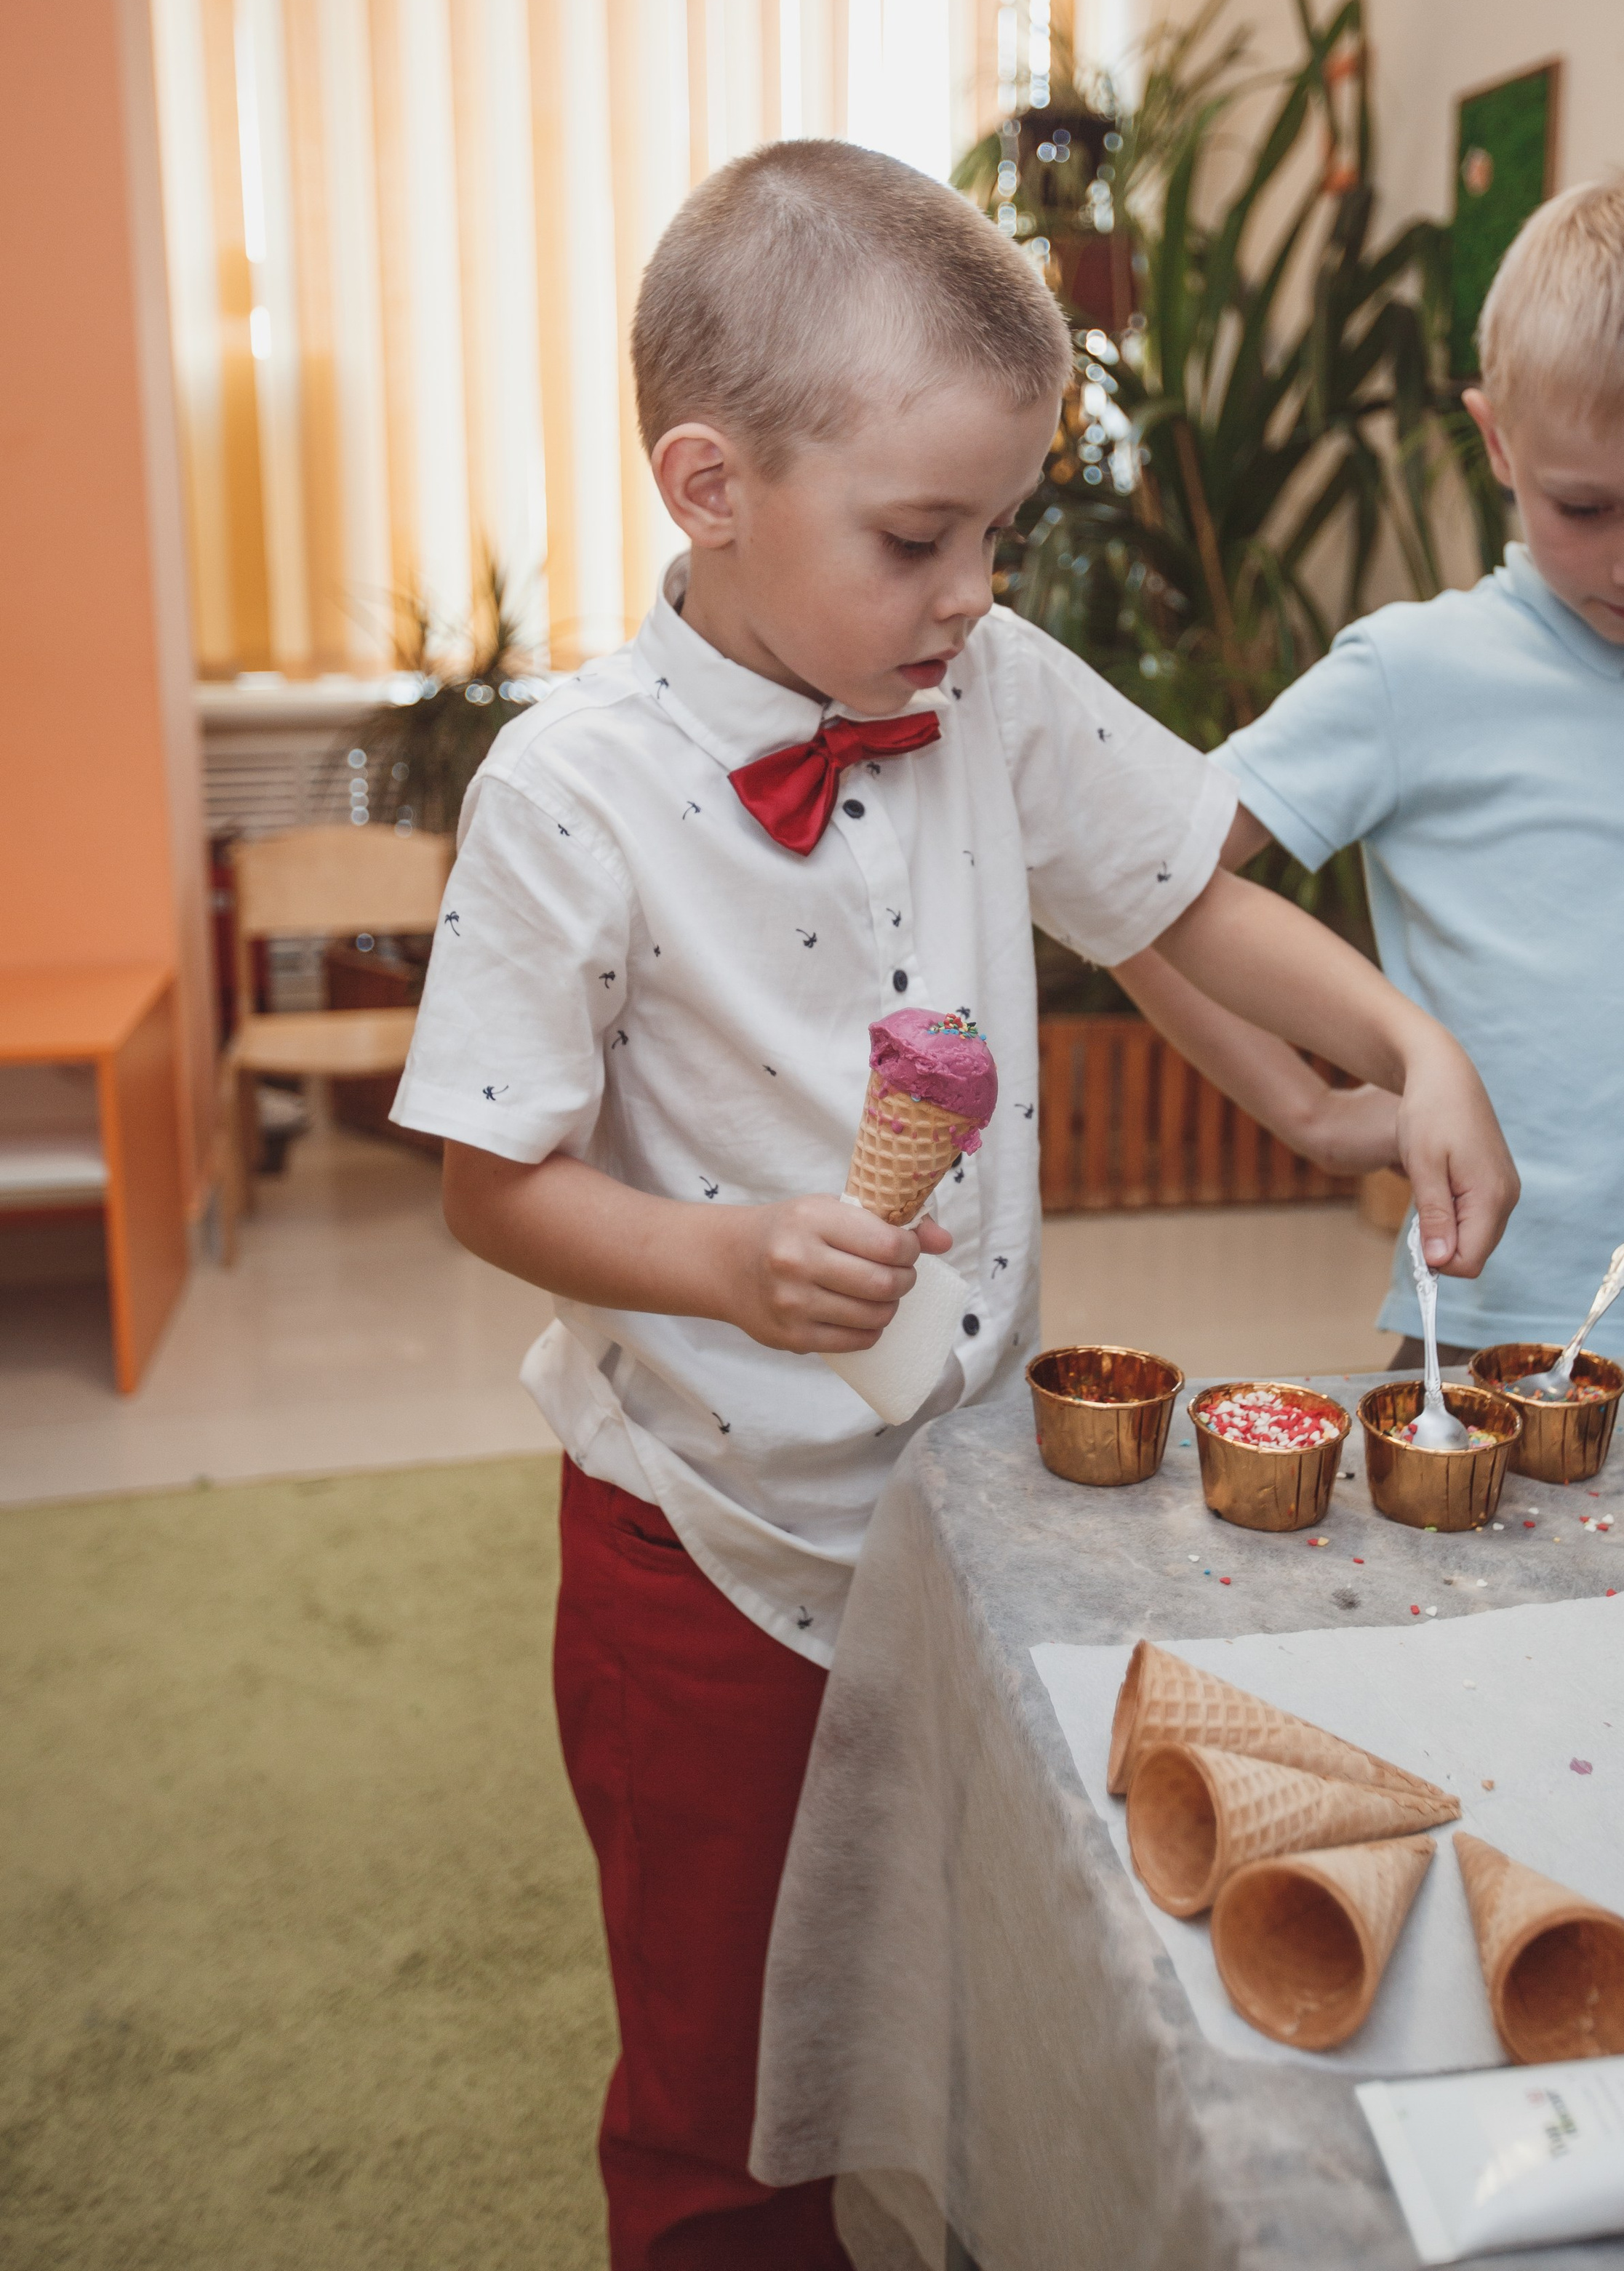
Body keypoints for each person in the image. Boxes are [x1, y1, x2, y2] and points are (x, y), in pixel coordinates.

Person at [391, 140, 1517, 2271]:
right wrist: (722, 1257)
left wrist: (1409, 1045)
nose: (975, 589)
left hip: (982, 1503)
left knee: (972, 1960)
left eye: (999, 531)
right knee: (732, 2064)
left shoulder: (982, 689)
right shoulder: (569, 789)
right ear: (708, 488)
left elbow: (1184, 879)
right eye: (921, 537)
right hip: (701, 1546)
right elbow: (490, 1185)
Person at [1121, 167, 1624, 1361]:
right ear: (1498, 441)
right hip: (1489, 1331)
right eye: (1587, 508)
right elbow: (1133, 875)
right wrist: (1304, 1108)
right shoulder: (1414, 673)